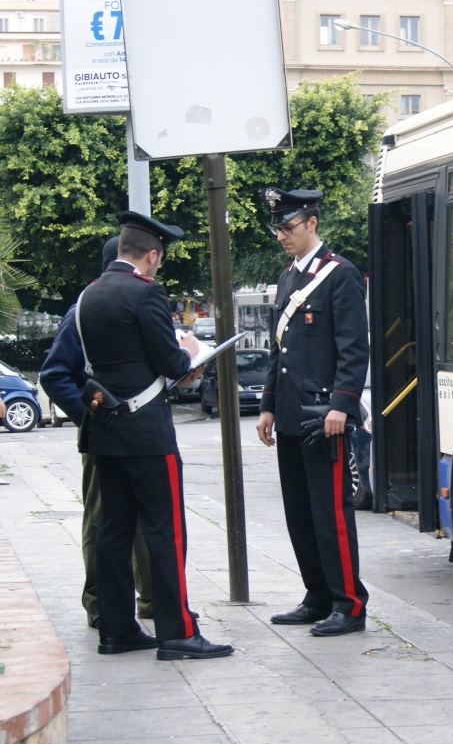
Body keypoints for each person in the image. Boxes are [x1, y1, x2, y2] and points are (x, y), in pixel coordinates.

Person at [77, 211, 232, 660]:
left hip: (105, 432)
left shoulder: (89, 296)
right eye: (158, 260)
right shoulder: (146, 294)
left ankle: (117, 629)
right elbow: (172, 364)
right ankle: (177, 632)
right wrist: (188, 352)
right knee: (166, 531)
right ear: (151, 255)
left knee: (112, 531)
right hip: (147, 433)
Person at [256, 186, 370, 637]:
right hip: (289, 414)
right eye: (277, 228)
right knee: (299, 512)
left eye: (288, 226)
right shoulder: (287, 277)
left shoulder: (339, 274)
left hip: (325, 415)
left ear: (312, 223)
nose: (281, 235)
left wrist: (343, 403)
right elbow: (277, 350)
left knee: (331, 513)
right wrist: (266, 405)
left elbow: (353, 347)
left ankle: (350, 603)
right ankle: (317, 594)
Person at [40, 236, 160, 629]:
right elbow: (54, 374)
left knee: (145, 517)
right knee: (102, 518)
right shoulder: (85, 309)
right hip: (104, 430)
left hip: (138, 429)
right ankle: (100, 603)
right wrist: (89, 417)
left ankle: (153, 599)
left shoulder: (131, 304)